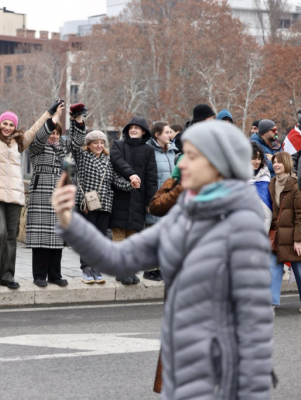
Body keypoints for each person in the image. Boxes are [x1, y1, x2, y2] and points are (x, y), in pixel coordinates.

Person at [53, 120, 273, 400]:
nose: (181, 165)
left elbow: (254, 322)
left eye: (192, 157)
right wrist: (69, 222)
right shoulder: (184, 217)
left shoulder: (242, 223)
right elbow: (118, 258)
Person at [0, 95, 62, 293]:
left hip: (14, 196)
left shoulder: (19, 143)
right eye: (4, 123)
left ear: (14, 127)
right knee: (0, 233)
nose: (7, 127)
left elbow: (35, 128)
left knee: (11, 236)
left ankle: (6, 276)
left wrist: (50, 111)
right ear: (0, 123)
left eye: (11, 124)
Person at [70, 111, 134, 284]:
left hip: (105, 203)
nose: (98, 146)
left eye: (101, 143)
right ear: (89, 144)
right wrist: (77, 121)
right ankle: (86, 269)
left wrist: (130, 184)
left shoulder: (108, 160)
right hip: (87, 204)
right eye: (95, 143)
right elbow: (75, 143)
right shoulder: (82, 156)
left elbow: (115, 180)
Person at [23, 104, 71, 289]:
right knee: (41, 237)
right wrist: (54, 117)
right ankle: (39, 275)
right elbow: (42, 136)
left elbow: (71, 172)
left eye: (57, 133)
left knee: (57, 237)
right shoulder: (37, 147)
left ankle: (55, 274)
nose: (53, 135)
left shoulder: (65, 151)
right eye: (51, 132)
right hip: (41, 193)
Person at [109, 117, 157, 285]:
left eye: (137, 127)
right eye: (131, 127)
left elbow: (151, 178)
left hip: (138, 198)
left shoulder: (148, 150)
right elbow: (118, 162)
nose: (134, 130)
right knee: (119, 236)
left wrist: (151, 201)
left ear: (144, 131)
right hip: (119, 196)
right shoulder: (118, 145)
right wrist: (131, 174)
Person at [268, 151, 301, 313]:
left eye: (279, 162)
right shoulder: (272, 183)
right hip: (277, 236)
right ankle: (271, 302)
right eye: (274, 162)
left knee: (299, 271)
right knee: (272, 268)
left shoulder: (295, 184)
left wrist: (298, 239)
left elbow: (300, 213)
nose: (275, 165)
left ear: (287, 163)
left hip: (293, 236)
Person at [144, 121, 177, 281]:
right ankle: (150, 270)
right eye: (166, 132)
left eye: (170, 132)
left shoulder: (173, 152)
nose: (170, 135)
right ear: (157, 135)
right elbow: (148, 178)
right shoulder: (149, 151)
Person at [249, 143, 272, 233]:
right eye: (254, 158)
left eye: (259, 158)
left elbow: (267, 210)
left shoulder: (265, 177)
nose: (257, 161)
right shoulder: (238, 178)